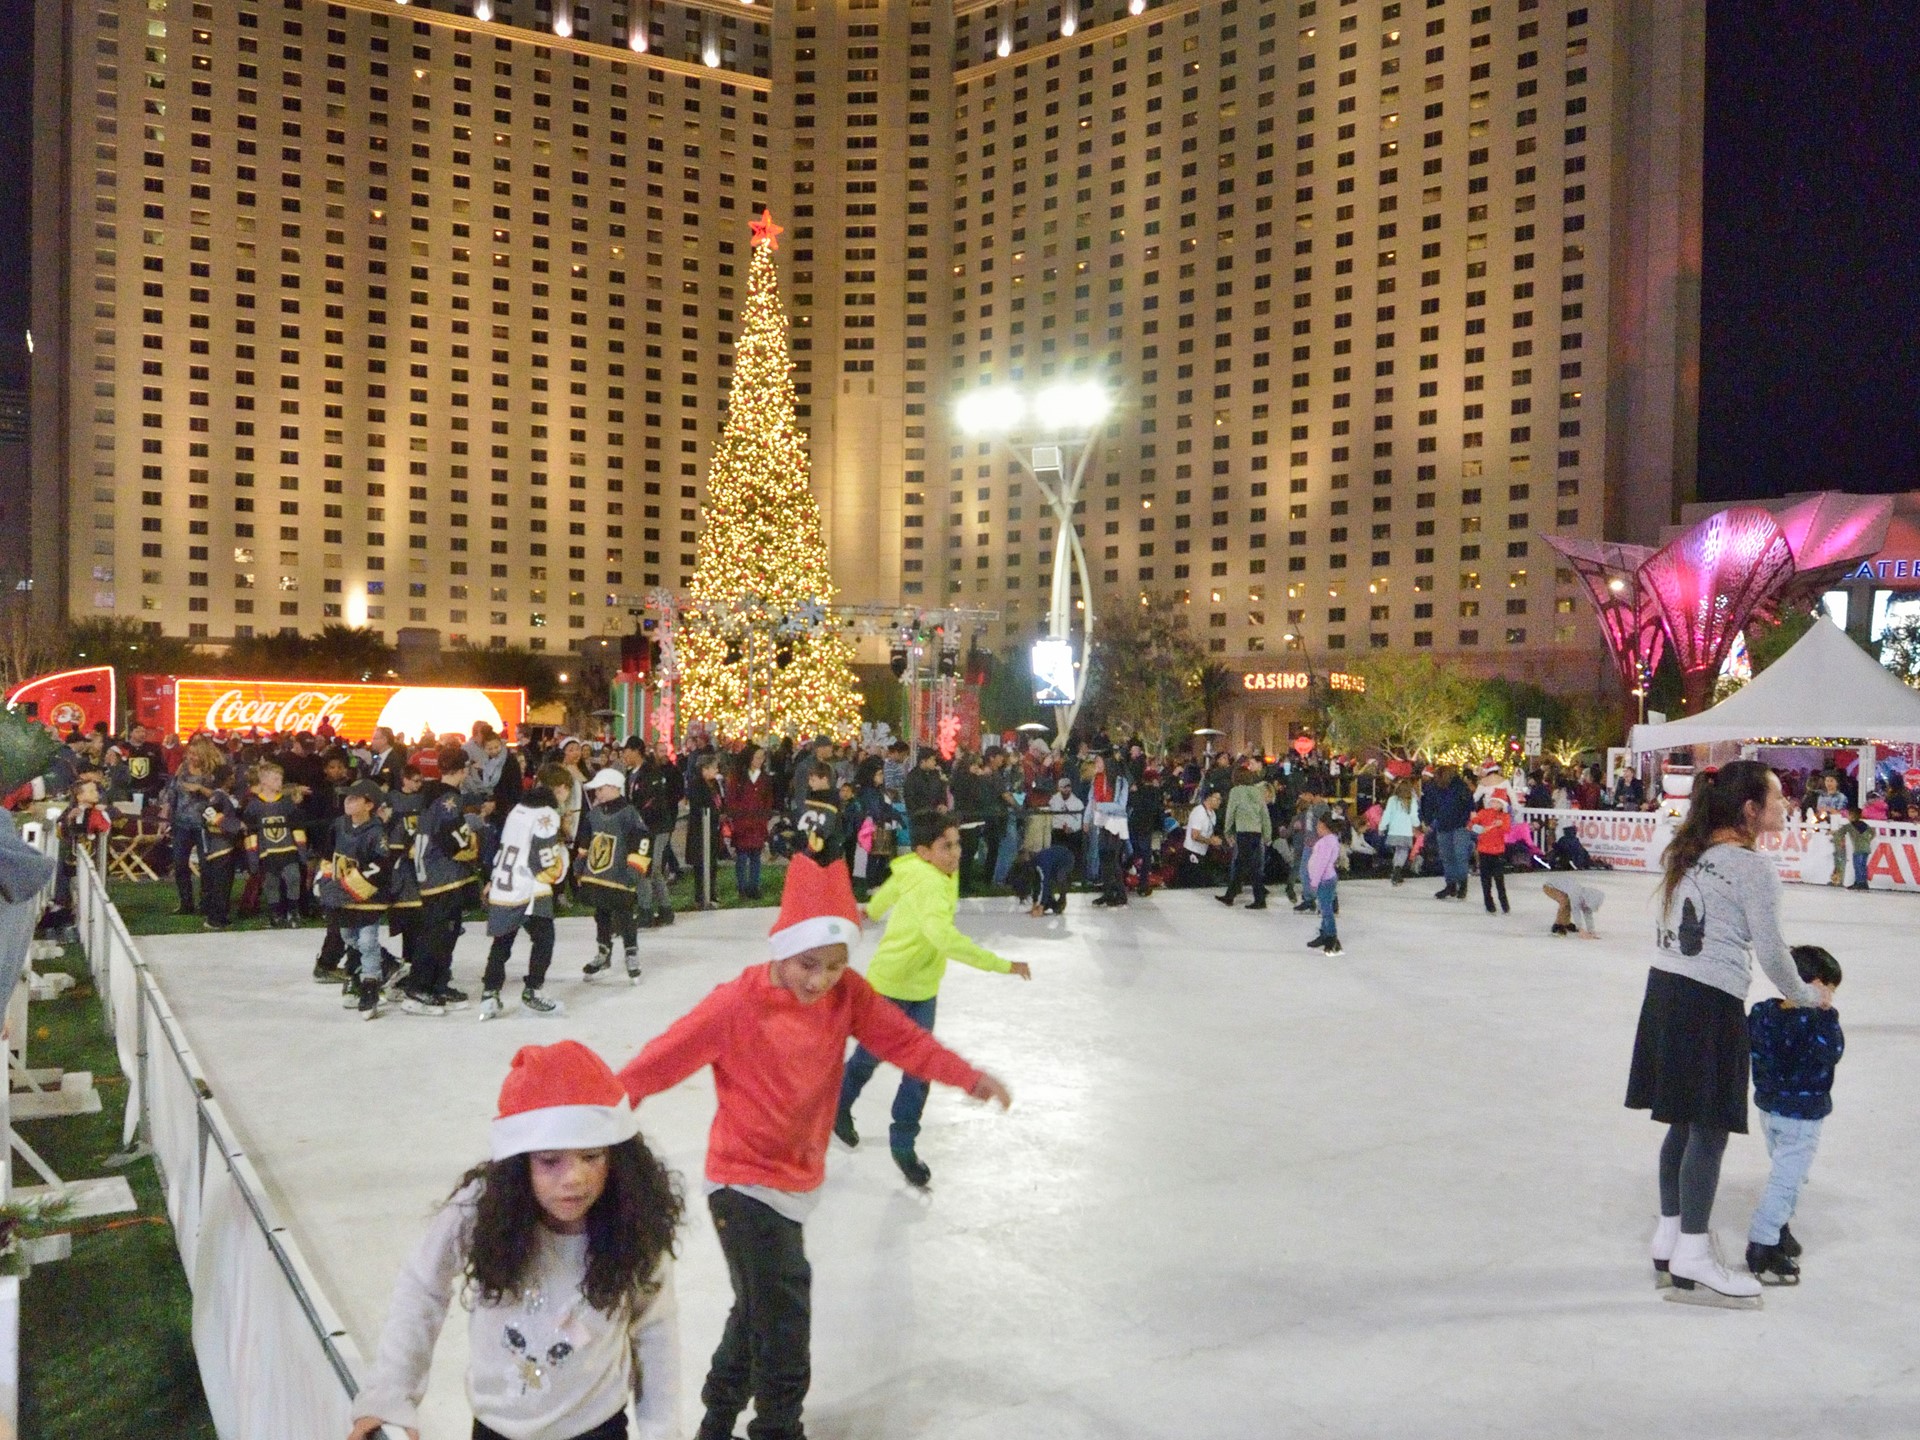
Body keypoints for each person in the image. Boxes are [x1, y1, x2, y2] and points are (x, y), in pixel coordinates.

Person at [615, 854, 1011, 1440]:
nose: (820, 980)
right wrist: (596, 1110)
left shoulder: (846, 995)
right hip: (741, 1181)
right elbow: (662, 1059)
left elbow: (904, 1041)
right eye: (808, 964)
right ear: (781, 949)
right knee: (784, 1321)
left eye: (834, 965)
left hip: (797, 1180)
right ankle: (778, 1428)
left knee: (756, 1311)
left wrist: (965, 1075)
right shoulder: (736, 1004)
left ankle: (716, 1420)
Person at [349, 1040, 684, 1440]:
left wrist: (663, 1431)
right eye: (549, 1161)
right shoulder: (478, 1211)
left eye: (592, 1156)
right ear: (518, 1160)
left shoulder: (633, 1225)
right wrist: (390, 1392)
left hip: (596, 1428)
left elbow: (654, 1328)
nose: (574, 1178)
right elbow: (423, 1287)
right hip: (497, 1428)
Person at [1625, 759, 1833, 1309]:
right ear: (1749, 810)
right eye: (1777, 796)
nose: (1785, 805)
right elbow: (1771, 953)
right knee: (1709, 1129)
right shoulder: (1752, 868)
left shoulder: (1687, 851)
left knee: (1682, 1123)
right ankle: (1693, 1253)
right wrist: (1809, 997)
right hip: (1707, 1001)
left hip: (1665, 993)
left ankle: (1670, 1236)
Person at [833, 811, 1031, 1187]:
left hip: (924, 989)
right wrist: (1001, 964)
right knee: (867, 1059)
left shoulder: (927, 868)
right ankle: (838, 1107)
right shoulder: (926, 882)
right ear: (925, 851)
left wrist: (873, 910)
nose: (956, 853)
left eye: (957, 843)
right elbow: (944, 938)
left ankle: (903, 1143)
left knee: (919, 1069)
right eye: (946, 846)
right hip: (890, 985)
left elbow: (896, 881)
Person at [1745, 944, 1845, 1286]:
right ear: (1813, 983)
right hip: (1801, 1117)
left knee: (1786, 1173)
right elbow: (1832, 1052)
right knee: (1786, 1179)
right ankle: (1763, 1242)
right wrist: (1826, 1015)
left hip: (1770, 1111)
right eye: (1829, 987)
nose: (1831, 995)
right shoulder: (1819, 1020)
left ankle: (1781, 1227)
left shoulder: (1762, 1013)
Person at [481, 774, 573, 1021]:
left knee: (503, 941)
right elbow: (542, 860)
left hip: (505, 881)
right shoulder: (546, 814)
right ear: (560, 789)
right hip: (530, 886)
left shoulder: (517, 809)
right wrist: (562, 859)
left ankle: (489, 994)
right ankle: (532, 992)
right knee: (544, 939)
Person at [404, 746, 482, 1014]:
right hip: (442, 875)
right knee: (437, 933)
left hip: (432, 873)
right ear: (463, 770)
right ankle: (418, 987)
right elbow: (454, 841)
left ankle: (438, 982)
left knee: (446, 930)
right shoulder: (449, 799)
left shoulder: (430, 794)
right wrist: (473, 834)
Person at [316, 780, 394, 1020]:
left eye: (354, 799)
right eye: (347, 798)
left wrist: (350, 886)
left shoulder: (376, 831)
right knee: (349, 937)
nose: (347, 802)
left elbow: (381, 866)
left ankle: (370, 986)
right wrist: (325, 879)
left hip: (367, 896)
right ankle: (389, 963)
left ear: (369, 805)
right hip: (343, 897)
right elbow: (329, 855)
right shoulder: (339, 825)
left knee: (368, 941)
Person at [577, 767, 649, 986]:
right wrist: (580, 866)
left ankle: (631, 953)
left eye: (600, 789)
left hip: (621, 876)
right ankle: (603, 951)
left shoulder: (629, 813)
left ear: (613, 787)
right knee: (601, 914)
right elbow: (585, 842)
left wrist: (634, 870)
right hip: (598, 876)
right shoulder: (594, 814)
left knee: (625, 915)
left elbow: (642, 842)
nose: (597, 793)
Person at [243, 759, 308, 929]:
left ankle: (293, 911)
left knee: (293, 878)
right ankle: (275, 913)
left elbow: (297, 828)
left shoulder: (287, 803)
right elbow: (251, 834)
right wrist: (252, 857)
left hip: (288, 849)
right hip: (267, 852)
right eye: (275, 779)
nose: (279, 783)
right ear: (263, 781)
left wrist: (301, 850)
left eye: (280, 779)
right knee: (271, 883)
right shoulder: (254, 806)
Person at [1215, 764, 1273, 910]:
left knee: (1245, 865)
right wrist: (1267, 834)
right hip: (1256, 832)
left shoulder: (1236, 791)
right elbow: (1264, 814)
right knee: (1249, 865)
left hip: (1243, 832)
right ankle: (1232, 895)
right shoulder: (1257, 791)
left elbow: (1231, 812)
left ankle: (1255, 899)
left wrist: (1227, 831)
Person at [195, 766, 247, 931]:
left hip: (227, 846)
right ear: (227, 778)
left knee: (225, 883)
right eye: (231, 776)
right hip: (220, 846)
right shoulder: (218, 797)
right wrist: (234, 825)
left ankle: (221, 916)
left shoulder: (223, 796)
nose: (233, 779)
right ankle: (215, 918)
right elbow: (208, 814)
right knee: (221, 884)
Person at [723, 747, 776, 900]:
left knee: (755, 857)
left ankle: (754, 886)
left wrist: (765, 816)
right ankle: (742, 888)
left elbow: (768, 800)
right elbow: (731, 799)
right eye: (757, 757)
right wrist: (736, 815)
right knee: (741, 857)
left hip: (758, 823)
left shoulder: (765, 778)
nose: (760, 761)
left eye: (762, 758)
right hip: (742, 823)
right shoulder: (738, 777)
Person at [1422, 764, 1476, 901]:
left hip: (1460, 826)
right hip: (1442, 826)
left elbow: (1470, 804)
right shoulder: (1434, 788)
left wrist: (1467, 820)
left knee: (1460, 854)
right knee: (1447, 856)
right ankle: (1450, 885)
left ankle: (1462, 884)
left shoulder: (1460, 787)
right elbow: (1427, 804)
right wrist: (1427, 821)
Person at [1302, 812, 1343, 956]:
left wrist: (1314, 881)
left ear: (1325, 827)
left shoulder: (1326, 842)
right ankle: (1325, 933)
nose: (1317, 828)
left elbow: (1321, 864)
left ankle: (1331, 937)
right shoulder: (1331, 840)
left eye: (1319, 825)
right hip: (1327, 879)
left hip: (1324, 880)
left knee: (1326, 910)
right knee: (1324, 907)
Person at [1471, 795, 1511, 915]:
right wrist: (1479, 828)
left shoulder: (1505, 816)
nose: (1494, 804)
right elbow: (1472, 825)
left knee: (1499, 879)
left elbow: (1507, 830)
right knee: (1485, 879)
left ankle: (1503, 902)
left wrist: (1501, 824)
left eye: (1497, 802)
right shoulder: (1483, 813)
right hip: (1484, 850)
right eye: (1493, 802)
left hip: (1498, 851)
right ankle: (1489, 903)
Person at [1176, 789, 1224, 887]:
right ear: (1209, 798)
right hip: (1192, 852)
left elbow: (1208, 832)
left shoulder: (1212, 814)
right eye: (1217, 799)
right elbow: (1195, 835)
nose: (1219, 802)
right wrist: (1211, 841)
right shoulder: (1199, 812)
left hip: (1203, 852)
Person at [1379, 780, 1421, 885]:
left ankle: (1395, 871)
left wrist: (1382, 826)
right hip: (1406, 831)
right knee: (1403, 851)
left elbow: (1387, 814)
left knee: (1398, 851)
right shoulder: (1411, 800)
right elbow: (1414, 816)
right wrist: (1417, 825)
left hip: (1394, 830)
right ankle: (1397, 870)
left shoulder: (1392, 800)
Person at [1827, 802, 1874, 891]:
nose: (1847, 817)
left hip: (1858, 850)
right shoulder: (1864, 824)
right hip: (1866, 849)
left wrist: (1832, 833)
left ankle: (1860, 883)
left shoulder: (1849, 826)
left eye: (1848, 815)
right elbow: (1873, 833)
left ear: (1852, 816)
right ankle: (1862, 882)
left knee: (1858, 866)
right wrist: (1868, 840)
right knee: (1862, 866)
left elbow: (1840, 832)